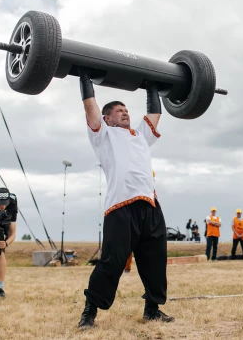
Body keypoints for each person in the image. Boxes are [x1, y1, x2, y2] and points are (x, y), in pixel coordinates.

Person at [77, 70, 173, 329]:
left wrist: (152, 85)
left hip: (150, 205)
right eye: (119, 110)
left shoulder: (140, 135)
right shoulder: (103, 135)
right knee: (112, 262)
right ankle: (90, 312)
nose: (125, 112)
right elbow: (90, 107)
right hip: (120, 206)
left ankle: (152, 309)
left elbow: (155, 114)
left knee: (155, 260)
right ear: (107, 118)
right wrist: (83, 76)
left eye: (126, 109)